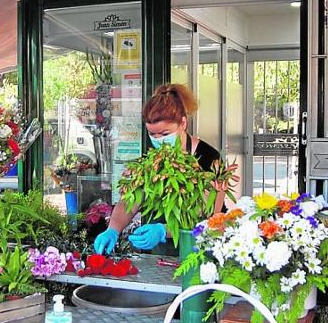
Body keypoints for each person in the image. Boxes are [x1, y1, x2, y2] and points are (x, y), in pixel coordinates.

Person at [93, 83, 233, 254]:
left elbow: (208, 214)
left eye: (165, 134)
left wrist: (163, 230)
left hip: (201, 247)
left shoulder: (210, 159)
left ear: (183, 123)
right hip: (162, 252)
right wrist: (113, 229)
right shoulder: (151, 160)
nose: (159, 140)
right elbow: (130, 200)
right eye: (153, 135)